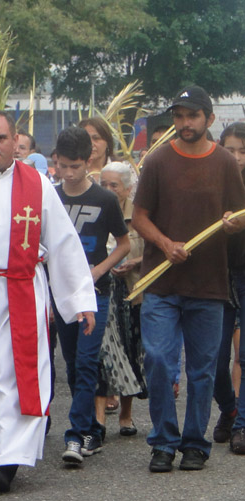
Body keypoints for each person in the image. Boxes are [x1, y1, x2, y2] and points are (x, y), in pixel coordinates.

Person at [0, 110, 95, 493]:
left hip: (20, 291)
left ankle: (3, 461)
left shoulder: (37, 184)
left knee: (6, 372)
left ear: (14, 141)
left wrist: (79, 299)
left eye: (0, 138)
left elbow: (62, 242)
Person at [132, 86, 245, 472]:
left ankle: (195, 443)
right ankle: (163, 441)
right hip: (162, 282)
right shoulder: (159, 160)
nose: (184, 124)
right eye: (179, 117)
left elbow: (238, 216)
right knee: (160, 360)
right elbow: (140, 216)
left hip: (209, 284)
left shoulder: (225, 164)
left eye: (192, 116)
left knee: (202, 368)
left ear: (209, 120)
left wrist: (232, 226)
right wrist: (165, 244)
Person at [52, 127, 130, 466]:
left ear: (88, 162)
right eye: (62, 167)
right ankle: (90, 428)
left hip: (95, 294)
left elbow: (124, 243)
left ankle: (77, 434)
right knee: (71, 362)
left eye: (75, 167)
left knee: (86, 361)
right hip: (59, 294)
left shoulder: (105, 199)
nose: (68, 174)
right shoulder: (50, 196)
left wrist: (99, 270)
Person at [99, 161, 147, 436]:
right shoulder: (97, 209)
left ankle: (126, 416)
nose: (107, 190)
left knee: (131, 350)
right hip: (103, 290)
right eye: (103, 184)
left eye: (113, 185)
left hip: (132, 291)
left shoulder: (139, 215)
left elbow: (153, 250)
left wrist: (134, 262)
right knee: (102, 353)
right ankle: (100, 418)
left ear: (128, 188)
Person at [211, 122, 245, 453]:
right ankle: (229, 409)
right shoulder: (214, 178)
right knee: (213, 360)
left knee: (244, 355)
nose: (236, 157)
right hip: (217, 275)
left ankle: (242, 425)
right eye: (230, 150)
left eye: (243, 151)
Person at [78, 117, 115, 183]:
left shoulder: (123, 168)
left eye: (96, 138)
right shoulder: (74, 171)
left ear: (107, 142)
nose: (91, 144)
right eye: (86, 138)